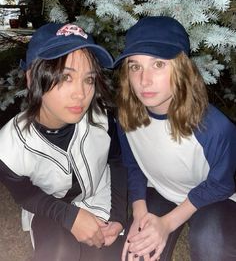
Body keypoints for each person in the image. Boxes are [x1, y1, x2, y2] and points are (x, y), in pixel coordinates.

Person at [0, 23, 127, 261]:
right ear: (32, 78)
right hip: (49, 208)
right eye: (66, 77)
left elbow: (117, 163)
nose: (80, 93)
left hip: (99, 200)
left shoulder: (102, 120)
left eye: (88, 80)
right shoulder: (8, 148)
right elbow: (25, 195)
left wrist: (119, 217)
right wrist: (70, 217)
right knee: (59, 253)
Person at [114, 16, 236, 261]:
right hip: (161, 191)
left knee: (211, 246)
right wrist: (139, 211)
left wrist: (168, 223)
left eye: (158, 64)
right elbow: (133, 164)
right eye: (135, 66)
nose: (144, 80)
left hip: (211, 197)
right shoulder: (126, 116)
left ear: (181, 69)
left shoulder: (213, 126)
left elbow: (222, 184)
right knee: (136, 254)